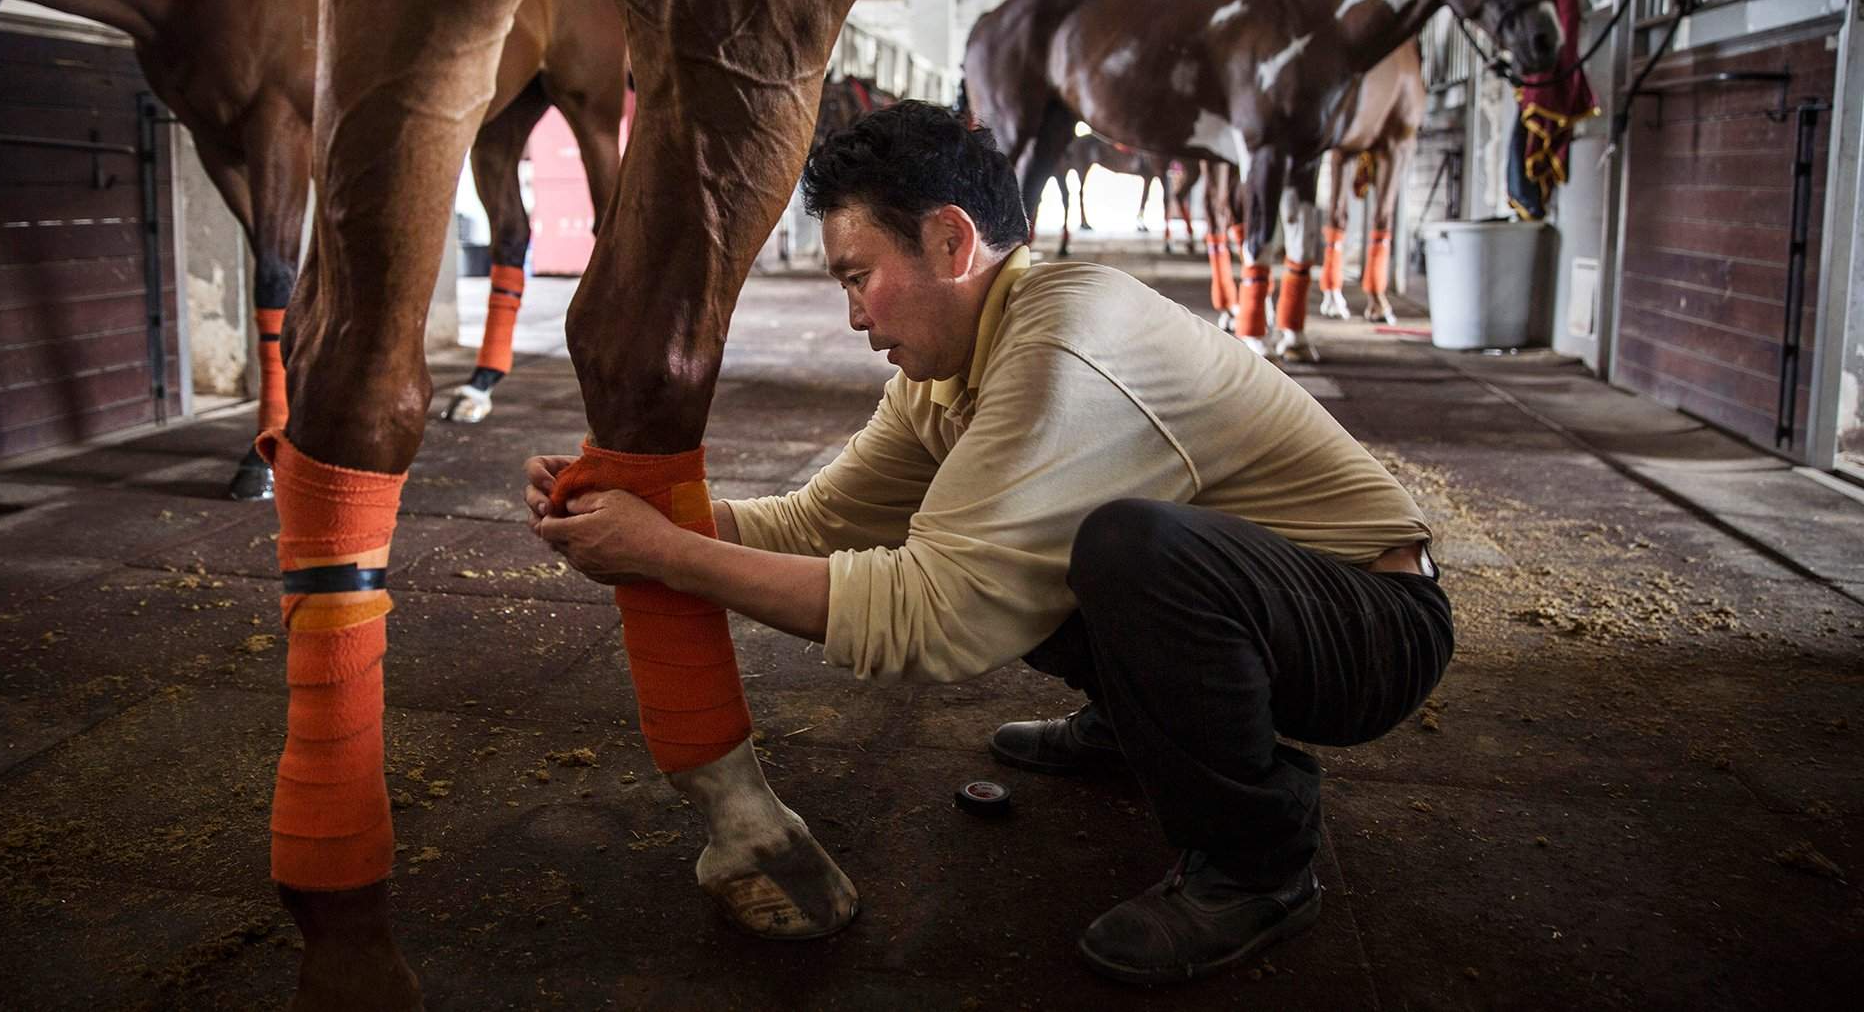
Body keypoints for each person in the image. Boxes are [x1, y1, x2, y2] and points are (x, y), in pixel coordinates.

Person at [527, 100, 1452, 985]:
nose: (855, 316)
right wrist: (639, 515)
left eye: (858, 276)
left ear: (951, 241)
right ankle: (1140, 730)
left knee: (1124, 548)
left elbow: (934, 616)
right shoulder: (947, 366)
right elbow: (820, 521)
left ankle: (1260, 863)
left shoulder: (1063, 342)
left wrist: (663, 554)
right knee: (1043, 535)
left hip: (1372, 626)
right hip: (1265, 604)